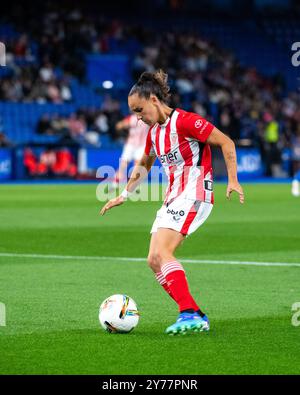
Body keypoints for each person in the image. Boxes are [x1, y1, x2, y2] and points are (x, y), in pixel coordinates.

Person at [100, 70, 244, 335]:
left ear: (154, 100)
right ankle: (195, 313)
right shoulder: (155, 133)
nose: (138, 118)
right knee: (153, 259)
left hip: (195, 193)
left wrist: (232, 179)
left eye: (139, 110)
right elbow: (144, 163)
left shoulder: (187, 122)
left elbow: (226, 142)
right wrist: (124, 194)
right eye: (134, 112)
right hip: (173, 197)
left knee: (164, 253)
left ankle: (188, 313)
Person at [111, 114, 149, 189]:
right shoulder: (132, 118)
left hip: (141, 145)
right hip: (130, 144)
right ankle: (115, 183)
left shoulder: (147, 118)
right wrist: (124, 127)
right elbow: (119, 126)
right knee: (123, 165)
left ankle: (134, 184)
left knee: (137, 165)